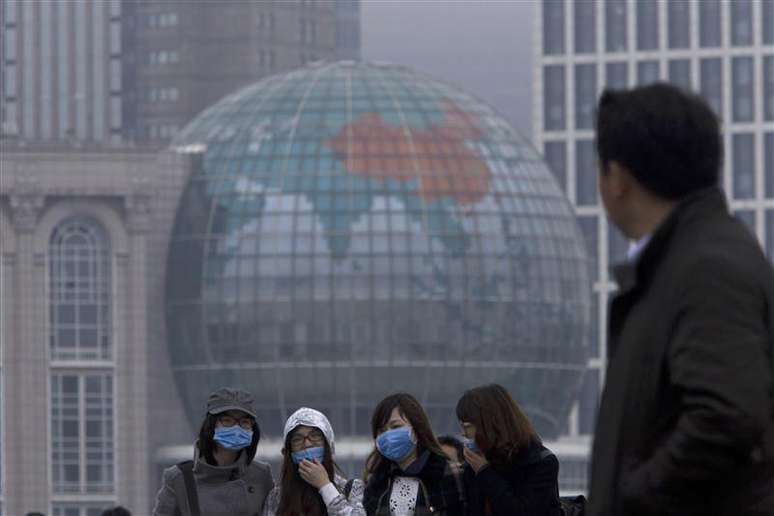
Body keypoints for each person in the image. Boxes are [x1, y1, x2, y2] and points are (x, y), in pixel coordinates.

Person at [588, 83, 774, 515]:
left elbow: (727, 415)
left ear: (617, 178)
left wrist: (635, 493)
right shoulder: (684, 262)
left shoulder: (707, 269)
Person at [152, 387, 274, 516]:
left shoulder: (261, 475)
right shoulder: (179, 478)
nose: (236, 428)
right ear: (211, 425)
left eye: (244, 422)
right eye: (227, 421)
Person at [456, 384, 561, 516]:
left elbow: (521, 511)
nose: (463, 434)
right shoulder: (473, 466)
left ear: (491, 425)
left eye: (468, 427)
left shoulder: (540, 463)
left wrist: (485, 472)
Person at [362, 393, 467, 516]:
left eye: (396, 426)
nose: (388, 436)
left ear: (417, 428)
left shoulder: (450, 474)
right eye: (381, 431)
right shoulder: (376, 485)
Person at [263, 406, 365, 516]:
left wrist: (325, 486)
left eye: (315, 436)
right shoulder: (277, 496)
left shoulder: (352, 489)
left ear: (328, 444)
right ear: (289, 451)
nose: (307, 444)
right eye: (297, 439)